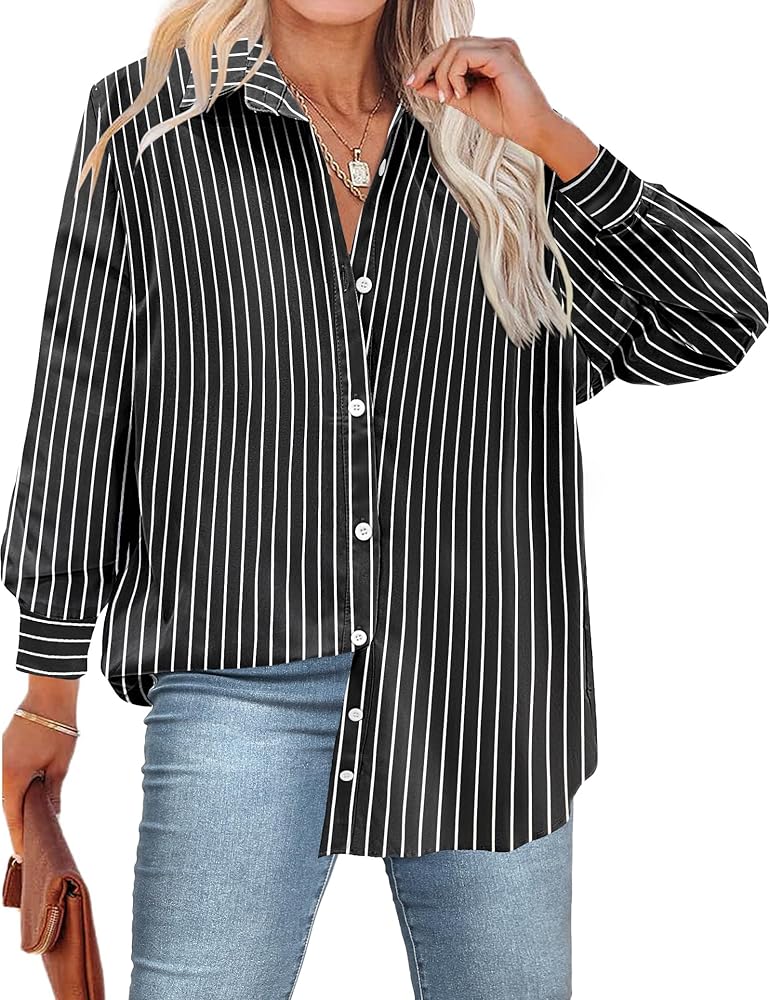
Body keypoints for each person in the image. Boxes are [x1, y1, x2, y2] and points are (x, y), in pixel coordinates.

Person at [2, 1, 766, 997]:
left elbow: (720, 316)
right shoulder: (148, 126)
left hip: (487, 700)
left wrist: (555, 141)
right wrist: (49, 693)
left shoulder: (503, 146)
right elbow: (82, 403)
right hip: (238, 682)